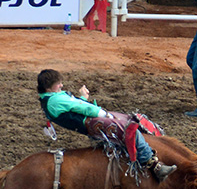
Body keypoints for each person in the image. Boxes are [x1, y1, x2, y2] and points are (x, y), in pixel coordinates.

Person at [37, 69, 176, 182]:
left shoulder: (50, 99)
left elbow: (73, 107)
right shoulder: (55, 100)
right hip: (91, 122)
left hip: (89, 121)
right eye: (58, 84)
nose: (61, 85)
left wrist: (83, 98)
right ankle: (155, 166)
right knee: (128, 128)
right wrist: (104, 114)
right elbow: (82, 108)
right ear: (49, 88)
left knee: (128, 121)